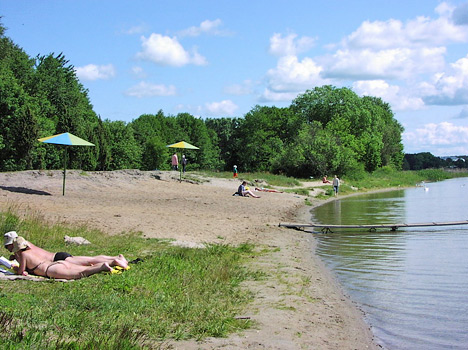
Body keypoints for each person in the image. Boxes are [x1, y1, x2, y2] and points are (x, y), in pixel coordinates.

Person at [4, 231, 128, 270]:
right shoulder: (25, 245)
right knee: (90, 260)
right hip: (57, 256)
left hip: (56, 260)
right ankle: (115, 258)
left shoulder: (21, 249)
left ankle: (114, 261)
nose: (7, 249)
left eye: (7, 246)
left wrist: (16, 259)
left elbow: (24, 265)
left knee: (87, 264)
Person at [6, 236, 113, 280]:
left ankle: (101, 267)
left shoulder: (24, 255)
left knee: (81, 273)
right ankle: (102, 265)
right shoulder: (31, 251)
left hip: (51, 270)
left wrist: (16, 268)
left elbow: (21, 272)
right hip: (56, 263)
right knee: (83, 267)